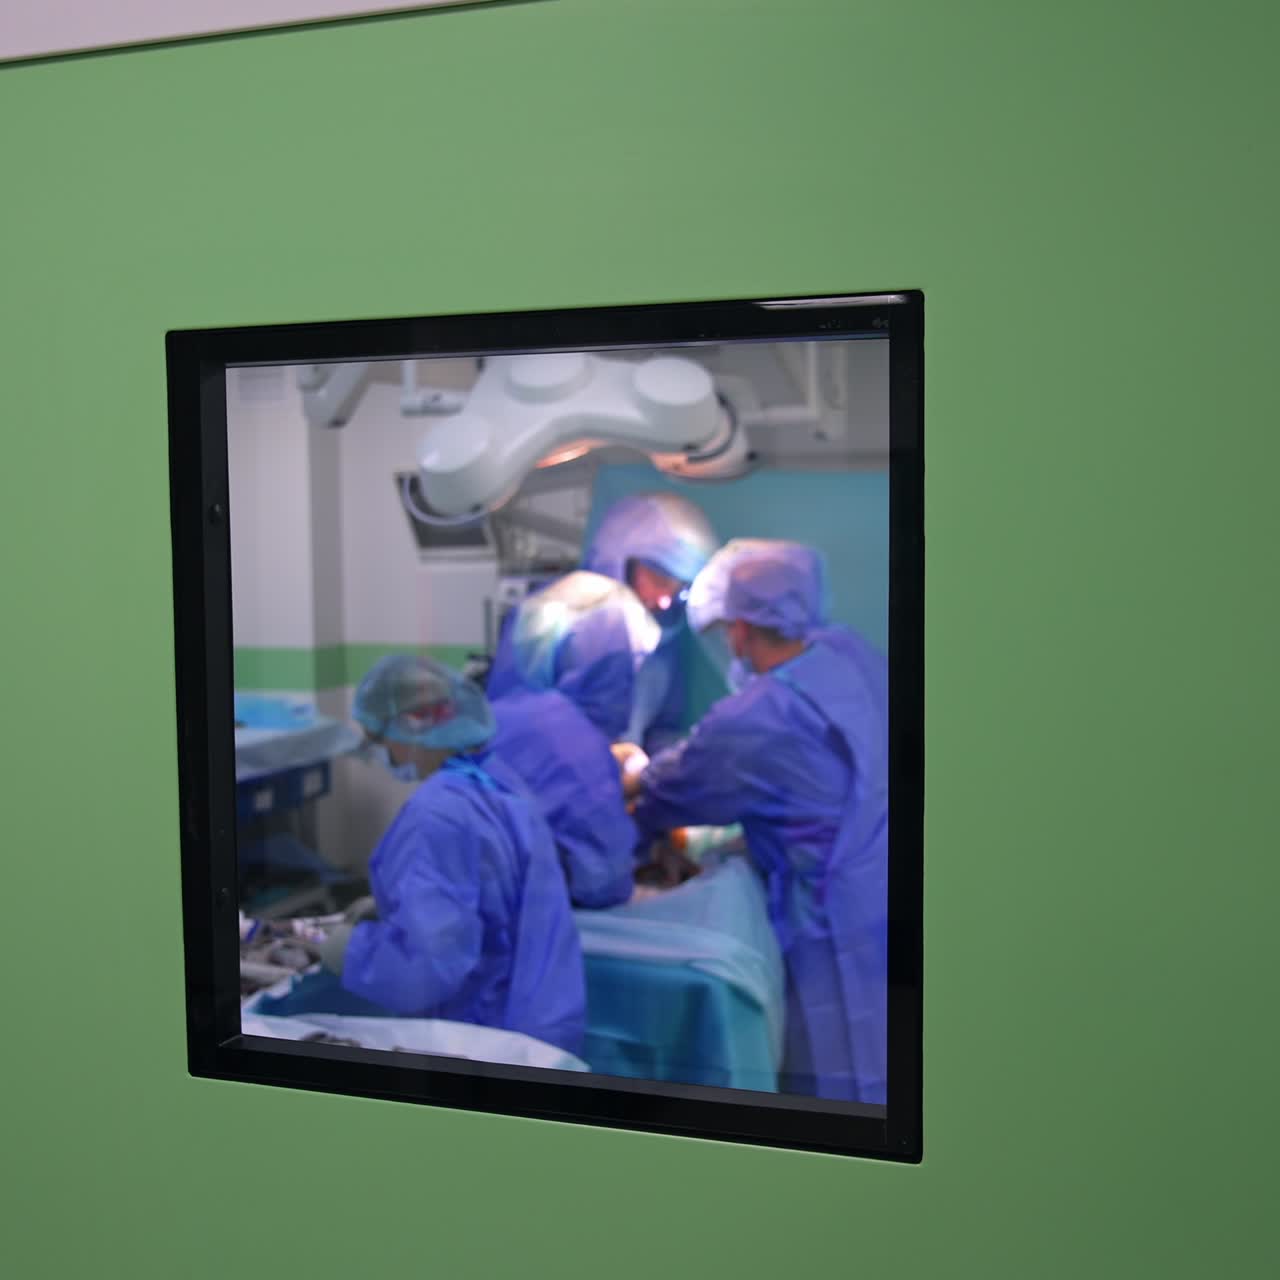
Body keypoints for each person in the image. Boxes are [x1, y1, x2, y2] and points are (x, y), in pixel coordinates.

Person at [626, 541, 888, 1104]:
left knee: (837, 1064)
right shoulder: (848, 654)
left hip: (828, 911)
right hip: (882, 884)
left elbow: (670, 788)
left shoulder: (757, 717)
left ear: (739, 628)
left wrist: (629, 772)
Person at [317, 654, 586, 1056]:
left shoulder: (435, 815)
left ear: (410, 726)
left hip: (485, 1038)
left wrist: (350, 952)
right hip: (541, 1016)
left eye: (379, 737)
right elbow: (491, 892)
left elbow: (428, 969)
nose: (377, 751)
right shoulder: (497, 779)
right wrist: (395, 905)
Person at [486, 571, 660, 909]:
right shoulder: (562, 736)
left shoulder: (506, 723)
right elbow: (603, 882)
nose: (623, 690)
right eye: (618, 670)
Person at [580, 492, 719, 751]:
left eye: (678, 589)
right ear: (621, 563)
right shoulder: (559, 627)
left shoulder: (661, 645)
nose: (666, 601)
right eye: (659, 581)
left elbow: (659, 729)